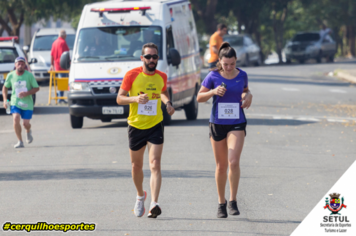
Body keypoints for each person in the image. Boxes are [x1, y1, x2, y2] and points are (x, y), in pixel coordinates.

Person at [116, 43, 175, 218]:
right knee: (136, 166)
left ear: (158, 58)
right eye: (148, 57)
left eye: (154, 57)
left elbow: (163, 92)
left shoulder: (161, 76)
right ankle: (140, 195)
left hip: (155, 124)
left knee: (155, 164)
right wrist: (135, 99)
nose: (151, 60)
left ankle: (154, 203)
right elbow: (119, 98)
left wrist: (168, 103)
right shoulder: (132, 75)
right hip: (136, 125)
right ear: (142, 58)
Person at [197, 42, 253, 218]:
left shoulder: (242, 75)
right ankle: (221, 203)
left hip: (237, 121)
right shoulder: (213, 76)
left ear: (236, 61)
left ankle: (233, 201)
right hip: (217, 123)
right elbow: (199, 97)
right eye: (225, 64)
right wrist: (213, 92)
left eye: (232, 64)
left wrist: (248, 96)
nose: (229, 68)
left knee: (233, 161)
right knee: (221, 166)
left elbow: (245, 91)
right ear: (220, 61)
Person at [2, 57, 40, 148]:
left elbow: (37, 88)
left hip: (27, 103)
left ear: (25, 65)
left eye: (22, 64)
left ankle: (28, 130)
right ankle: (20, 141)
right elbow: (5, 87)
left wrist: (27, 93)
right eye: (18, 64)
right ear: (15, 65)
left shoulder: (29, 75)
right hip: (15, 102)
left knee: (25, 124)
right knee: (16, 119)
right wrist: (4, 99)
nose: (20, 65)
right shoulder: (10, 75)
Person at [50, 29, 69, 104]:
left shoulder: (54, 42)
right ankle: (60, 97)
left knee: (59, 80)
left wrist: (52, 64)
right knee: (63, 81)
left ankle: (59, 96)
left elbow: (51, 54)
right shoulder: (63, 42)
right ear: (64, 35)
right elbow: (65, 55)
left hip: (56, 65)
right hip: (63, 65)